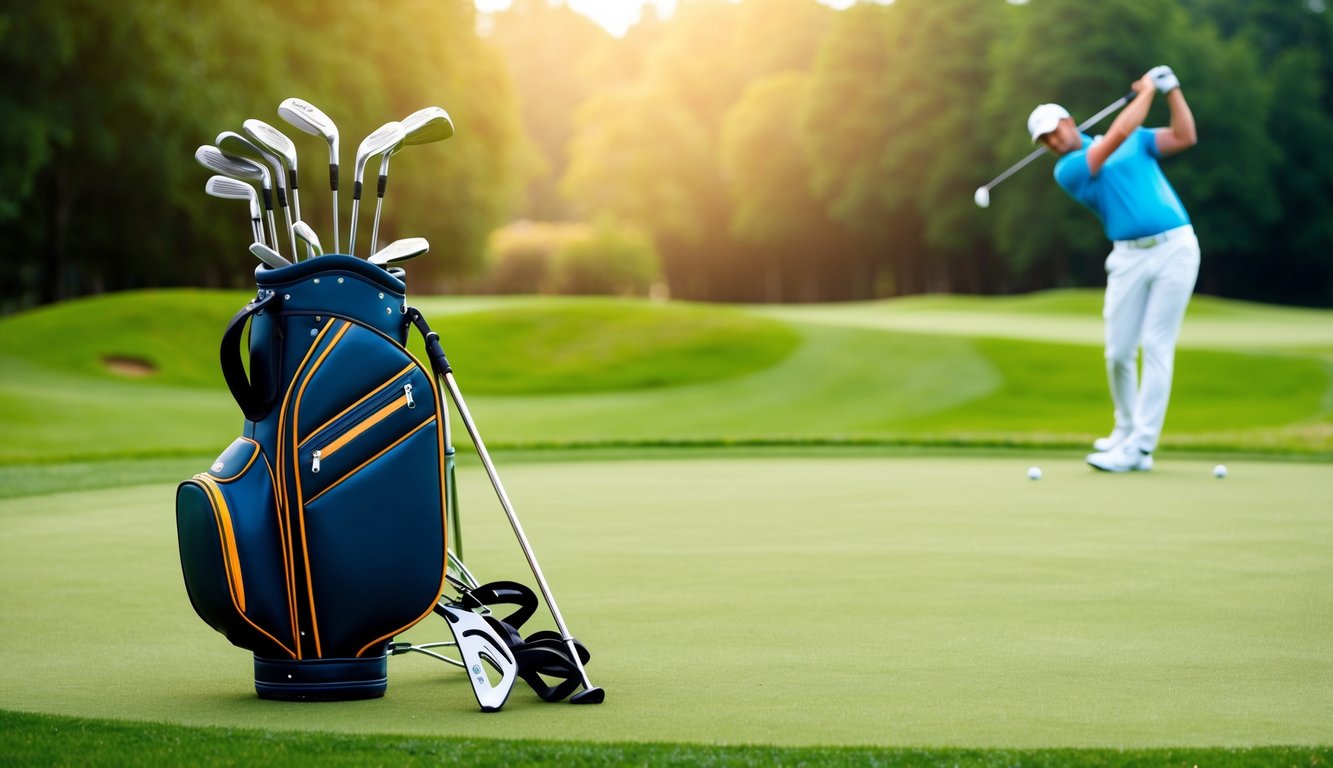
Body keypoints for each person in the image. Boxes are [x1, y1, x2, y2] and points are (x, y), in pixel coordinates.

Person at [1027, 66, 1199, 472]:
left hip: (1176, 248)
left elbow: (1185, 136)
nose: (1053, 141)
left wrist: (1172, 90)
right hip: (1127, 258)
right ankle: (1124, 428)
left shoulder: (1137, 138)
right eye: (1045, 140)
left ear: (1068, 121)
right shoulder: (1069, 169)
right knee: (1119, 353)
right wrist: (1147, 92)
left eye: (1055, 130)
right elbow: (1119, 133)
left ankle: (1139, 447)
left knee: (1157, 346)